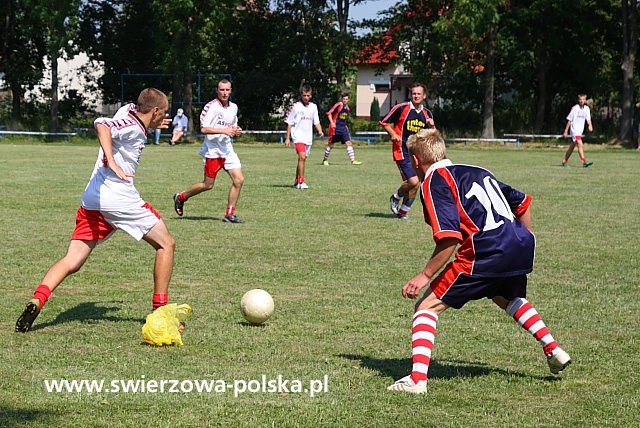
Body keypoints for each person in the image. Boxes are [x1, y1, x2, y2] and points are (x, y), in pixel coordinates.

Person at [387, 128, 571, 394]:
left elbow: (449, 238)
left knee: (426, 308)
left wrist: (424, 276)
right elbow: (522, 203)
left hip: (485, 250)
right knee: (503, 295)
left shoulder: (433, 181)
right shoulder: (478, 169)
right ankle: (553, 349)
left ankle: (417, 381)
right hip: (518, 244)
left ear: (416, 160)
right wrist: (522, 237)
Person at [15, 88, 176, 333]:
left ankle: (38, 299)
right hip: (117, 198)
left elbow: (125, 115)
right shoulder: (131, 127)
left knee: (72, 260)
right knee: (166, 245)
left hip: (93, 199)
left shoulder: (129, 111)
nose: (161, 119)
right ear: (154, 111)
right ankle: (160, 314)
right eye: (161, 114)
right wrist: (111, 160)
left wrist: (154, 120)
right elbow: (101, 123)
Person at [173, 79, 244, 223]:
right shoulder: (211, 107)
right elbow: (204, 129)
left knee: (239, 180)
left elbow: (232, 126)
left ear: (231, 90)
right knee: (208, 185)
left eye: (227, 90)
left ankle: (229, 214)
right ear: (217, 91)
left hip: (227, 150)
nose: (224, 93)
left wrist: (236, 131)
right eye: (222, 90)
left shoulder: (234, 107)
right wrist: (224, 131)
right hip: (213, 151)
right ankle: (181, 197)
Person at [380, 83, 435, 219]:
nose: (415, 96)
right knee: (414, 181)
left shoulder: (427, 114)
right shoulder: (402, 108)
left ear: (424, 96)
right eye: (413, 93)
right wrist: (393, 134)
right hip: (402, 150)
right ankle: (396, 196)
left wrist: (433, 127)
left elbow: (433, 135)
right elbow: (384, 121)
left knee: (417, 184)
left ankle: (403, 212)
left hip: (418, 154)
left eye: (418, 94)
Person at [284, 84, 324, 189]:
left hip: (308, 138)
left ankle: (296, 181)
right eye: (304, 95)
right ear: (301, 95)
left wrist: (320, 131)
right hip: (298, 137)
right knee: (301, 157)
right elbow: (289, 123)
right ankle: (301, 181)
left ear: (311, 95)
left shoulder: (313, 107)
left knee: (302, 159)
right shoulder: (296, 107)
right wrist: (287, 138)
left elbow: (316, 121)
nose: (306, 97)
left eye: (308, 95)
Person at [322, 92, 362, 166]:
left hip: (343, 128)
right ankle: (325, 160)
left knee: (348, 143)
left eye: (346, 99)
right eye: (344, 99)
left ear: (348, 100)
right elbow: (329, 113)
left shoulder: (347, 108)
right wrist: (332, 123)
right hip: (335, 128)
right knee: (331, 144)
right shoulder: (338, 105)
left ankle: (353, 160)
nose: (345, 100)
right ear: (342, 99)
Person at [562, 94, 593, 167]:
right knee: (580, 143)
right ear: (578, 100)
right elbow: (569, 120)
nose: (582, 101)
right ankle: (584, 162)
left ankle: (564, 160)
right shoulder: (575, 108)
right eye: (580, 99)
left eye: (583, 99)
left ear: (585, 100)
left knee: (572, 146)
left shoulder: (586, 109)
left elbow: (588, 119)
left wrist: (590, 125)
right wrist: (566, 131)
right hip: (574, 130)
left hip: (580, 131)